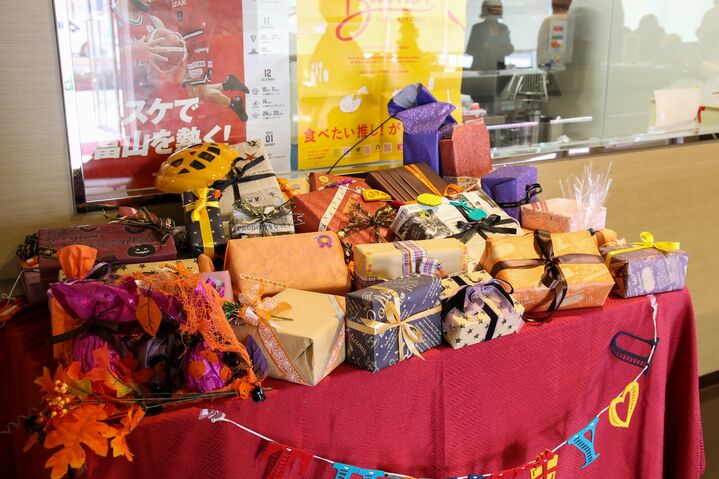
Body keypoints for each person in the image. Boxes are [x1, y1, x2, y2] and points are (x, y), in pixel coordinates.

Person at [154, 0, 250, 122]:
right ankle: (228, 85)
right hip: (183, 42)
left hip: (195, 39)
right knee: (193, 92)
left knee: (200, 92)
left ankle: (233, 103)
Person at [465, 0, 514, 71]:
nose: (493, 14)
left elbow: (508, 49)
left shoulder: (503, 28)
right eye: (491, 10)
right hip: (480, 68)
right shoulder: (478, 28)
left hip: (499, 68)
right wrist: (485, 48)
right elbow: (470, 49)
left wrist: (491, 46)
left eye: (496, 10)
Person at [536, 0, 572, 67]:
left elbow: (556, 52)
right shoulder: (567, 19)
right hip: (558, 67)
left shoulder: (552, 20)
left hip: (553, 67)